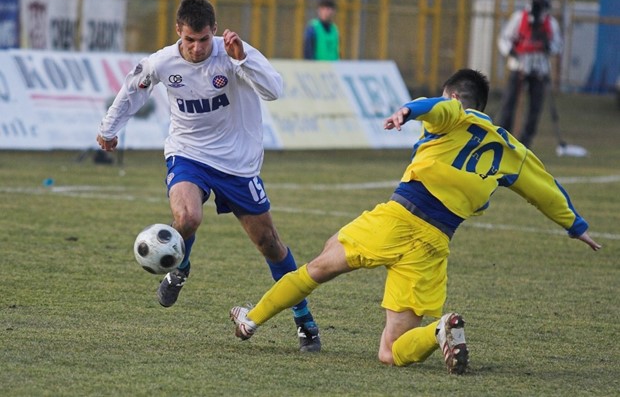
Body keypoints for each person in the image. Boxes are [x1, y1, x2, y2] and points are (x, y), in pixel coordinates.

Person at [230, 68, 601, 374]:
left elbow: (436, 109)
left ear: (455, 97)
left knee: (319, 267)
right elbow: (546, 190)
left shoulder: (455, 114)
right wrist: (576, 226)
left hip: (398, 218)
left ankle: (251, 320)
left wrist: (407, 112)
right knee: (391, 352)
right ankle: (438, 330)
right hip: (434, 244)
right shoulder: (513, 152)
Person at [96, 0, 321, 352]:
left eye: (203, 40)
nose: (197, 48)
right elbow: (132, 88)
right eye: (189, 40)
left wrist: (241, 59)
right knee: (186, 217)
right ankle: (180, 268)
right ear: (178, 33)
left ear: (214, 32)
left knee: (270, 244)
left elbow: (274, 90)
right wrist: (109, 128)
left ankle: (304, 318)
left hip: (238, 164)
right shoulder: (163, 61)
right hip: (189, 153)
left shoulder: (233, 52)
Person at [497, 0, 562, 148]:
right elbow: (504, 39)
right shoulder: (519, 18)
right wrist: (510, 51)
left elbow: (557, 45)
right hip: (518, 66)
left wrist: (549, 47)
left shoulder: (550, 23)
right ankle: (502, 138)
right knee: (509, 103)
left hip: (539, 69)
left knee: (535, 108)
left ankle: (525, 142)